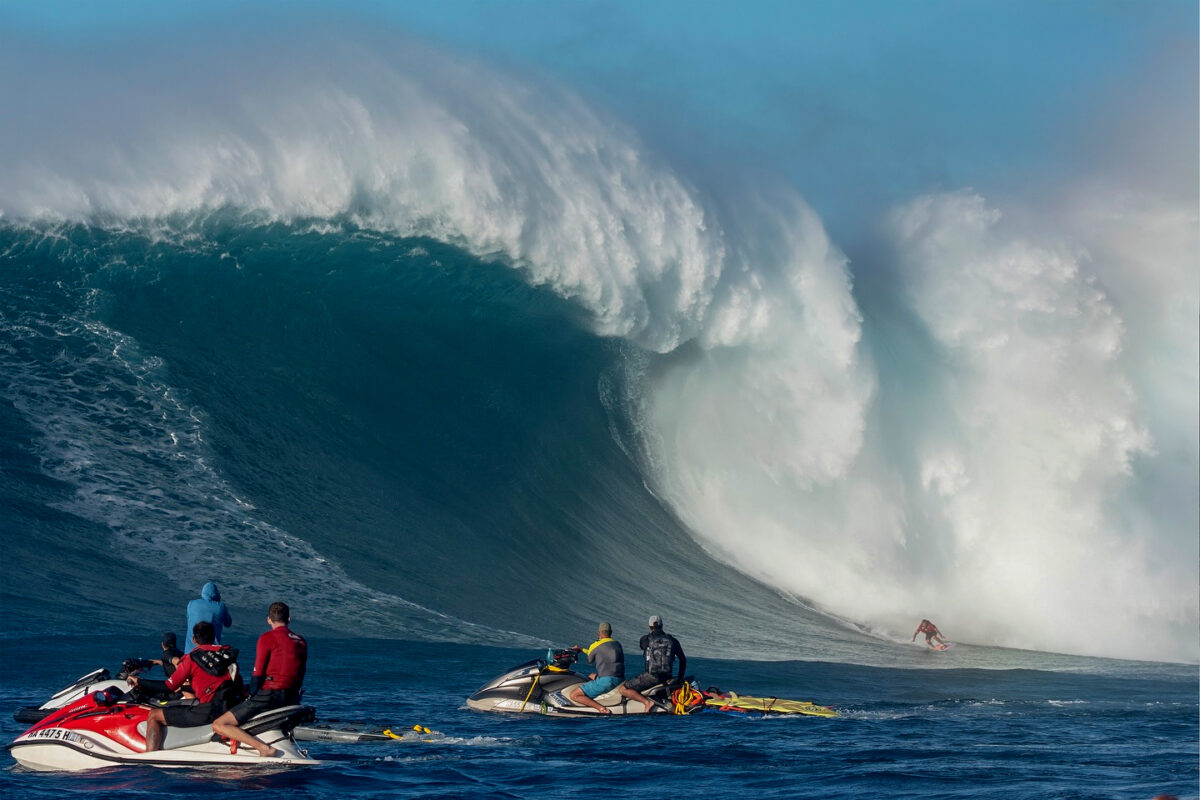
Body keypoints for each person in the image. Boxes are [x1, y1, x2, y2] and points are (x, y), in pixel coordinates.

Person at [212, 601, 307, 758]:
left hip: (271, 696)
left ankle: (263, 748)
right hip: (292, 696)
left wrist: (251, 696)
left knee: (219, 724)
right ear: (289, 619)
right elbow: (301, 672)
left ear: (268, 620)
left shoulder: (267, 638)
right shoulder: (300, 641)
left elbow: (258, 673)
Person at [129, 621, 239, 752]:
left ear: (193, 639)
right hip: (230, 705)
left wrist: (139, 681)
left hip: (209, 711)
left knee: (154, 715)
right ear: (213, 636)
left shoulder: (191, 659)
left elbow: (168, 686)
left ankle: (150, 757)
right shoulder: (224, 653)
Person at [618, 615, 686, 712]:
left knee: (623, 689)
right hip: (667, 677)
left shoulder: (645, 639)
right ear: (662, 625)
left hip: (651, 677)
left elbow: (642, 646)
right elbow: (683, 660)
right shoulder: (673, 641)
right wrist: (680, 678)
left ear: (649, 627)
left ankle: (647, 702)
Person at [567, 622, 625, 714]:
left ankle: (601, 709)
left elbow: (590, 660)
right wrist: (582, 649)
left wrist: (582, 651)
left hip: (607, 681)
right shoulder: (617, 643)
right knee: (591, 676)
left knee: (574, 694)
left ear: (599, 633)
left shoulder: (595, 645)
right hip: (620, 678)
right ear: (611, 632)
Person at [185, 581, 233, 653]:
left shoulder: (191, 604)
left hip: (190, 651)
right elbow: (228, 623)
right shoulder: (220, 607)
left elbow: (188, 620)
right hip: (210, 652)